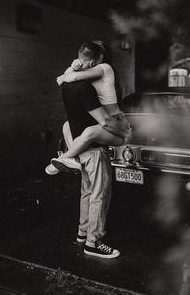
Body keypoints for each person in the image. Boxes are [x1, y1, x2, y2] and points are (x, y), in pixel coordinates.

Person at [54, 41, 123, 258]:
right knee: (99, 194)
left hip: (81, 147)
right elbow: (103, 120)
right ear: (94, 61)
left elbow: (67, 77)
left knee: (87, 191)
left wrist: (71, 70)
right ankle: (94, 242)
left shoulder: (69, 84)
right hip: (94, 149)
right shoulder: (85, 87)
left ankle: (82, 233)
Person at [48, 41, 131, 172]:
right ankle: (74, 159)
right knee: (66, 126)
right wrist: (74, 65)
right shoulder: (88, 69)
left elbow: (72, 77)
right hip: (102, 123)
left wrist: (63, 77)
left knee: (89, 132)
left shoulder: (105, 68)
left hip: (116, 124)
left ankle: (66, 157)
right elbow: (70, 73)